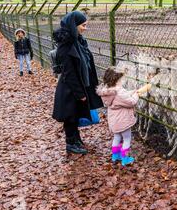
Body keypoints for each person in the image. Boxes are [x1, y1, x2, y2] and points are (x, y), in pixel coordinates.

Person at [52, 11, 104, 155]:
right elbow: (69, 73)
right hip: (70, 89)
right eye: (83, 25)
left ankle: (76, 139)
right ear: (74, 25)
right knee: (70, 116)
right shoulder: (66, 45)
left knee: (75, 115)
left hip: (79, 86)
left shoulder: (78, 41)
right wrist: (80, 93)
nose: (85, 28)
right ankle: (70, 142)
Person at [97, 67, 139, 166]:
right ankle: (125, 158)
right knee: (127, 138)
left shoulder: (107, 91)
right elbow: (131, 102)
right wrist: (136, 95)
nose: (122, 81)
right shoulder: (120, 92)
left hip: (114, 121)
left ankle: (115, 156)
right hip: (123, 121)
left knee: (117, 137)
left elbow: (121, 98)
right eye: (121, 79)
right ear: (116, 80)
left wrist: (131, 92)